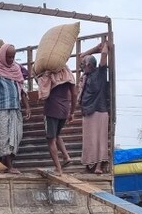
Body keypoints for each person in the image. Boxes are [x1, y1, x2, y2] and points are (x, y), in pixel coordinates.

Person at [0, 42, 29, 172]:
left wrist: (27, 106)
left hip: (15, 107)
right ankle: (9, 166)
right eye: (8, 57)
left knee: (16, 136)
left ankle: (5, 164)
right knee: (4, 137)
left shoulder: (15, 69)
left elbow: (21, 87)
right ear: (2, 55)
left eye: (13, 57)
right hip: (0, 107)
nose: (11, 60)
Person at [77, 39, 112, 173]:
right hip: (87, 110)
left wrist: (99, 48)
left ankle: (98, 166)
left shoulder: (100, 72)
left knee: (99, 140)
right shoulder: (86, 76)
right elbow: (81, 56)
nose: (82, 67)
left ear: (90, 65)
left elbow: (104, 52)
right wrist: (90, 51)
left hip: (99, 110)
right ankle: (88, 165)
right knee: (89, 141)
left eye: (83, 65)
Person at [35, 63, 77, 173]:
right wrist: (72, 112)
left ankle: (58, 168)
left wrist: (41, 75)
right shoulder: (68, 75)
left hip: (52, 109)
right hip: (64, 110)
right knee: (57, 135)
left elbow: (41, 85)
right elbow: (74, 94)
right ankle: (66, 156)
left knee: (51, 139)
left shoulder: (49, 75)